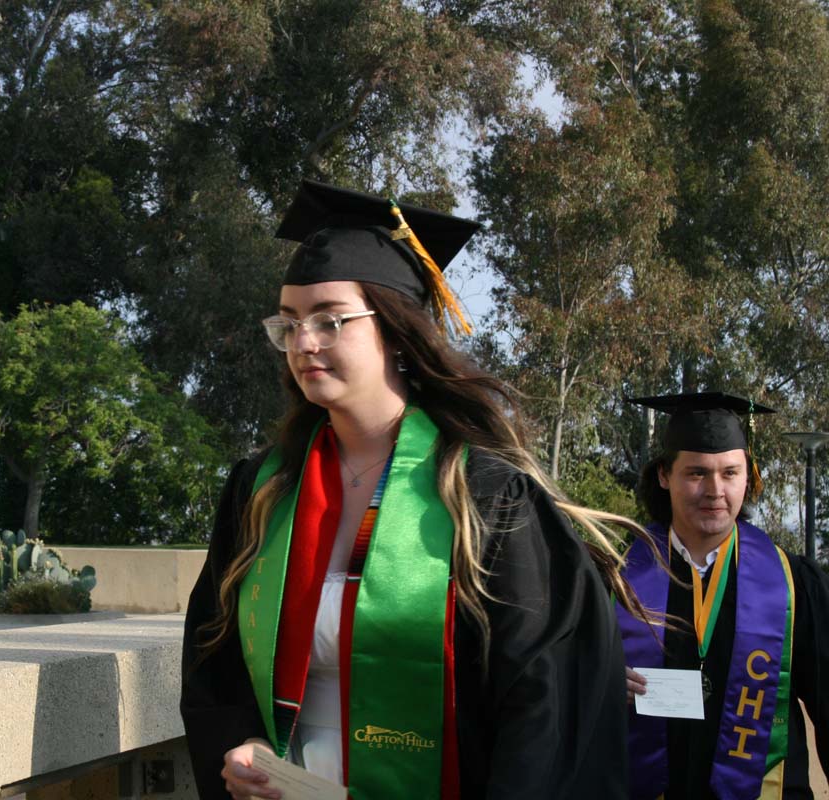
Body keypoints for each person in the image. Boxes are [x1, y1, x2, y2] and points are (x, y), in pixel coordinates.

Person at [180, 178, 644, 800]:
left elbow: (542, 700)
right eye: (288, 324)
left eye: (330, 320)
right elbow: (214, 659)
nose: (303, 344)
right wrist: (244, 743)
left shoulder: (484, 497)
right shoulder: (260, 490)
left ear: (396, 332)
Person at [620, 392, 829, 799]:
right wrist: (601, 687)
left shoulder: (791, 584)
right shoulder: (616, 580)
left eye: (730, 473)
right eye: (697, 472)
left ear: (748, 477)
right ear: (664, 475)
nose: (715, 490)